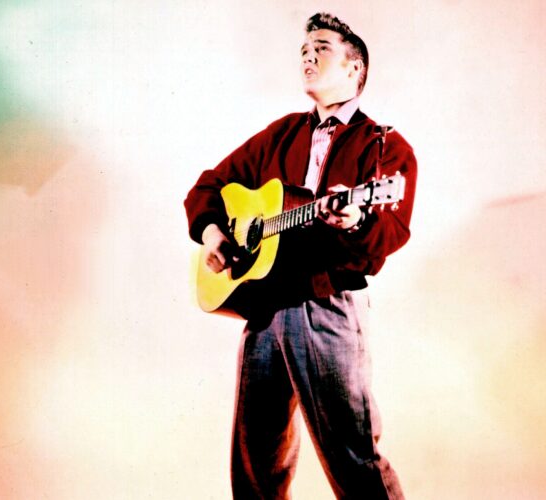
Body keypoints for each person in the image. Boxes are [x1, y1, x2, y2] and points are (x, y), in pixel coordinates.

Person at [184, 12, 417, 499]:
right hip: (264, 308)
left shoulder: (384, 146)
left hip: (327, 305)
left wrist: (355, 221)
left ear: (355, 68)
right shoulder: (282, 133)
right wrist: (213, 233)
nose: (308, 56)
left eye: (322, 48)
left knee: (352, 456)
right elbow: (209, 185)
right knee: (255, 461)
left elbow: (390, 233)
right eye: (305, 50)